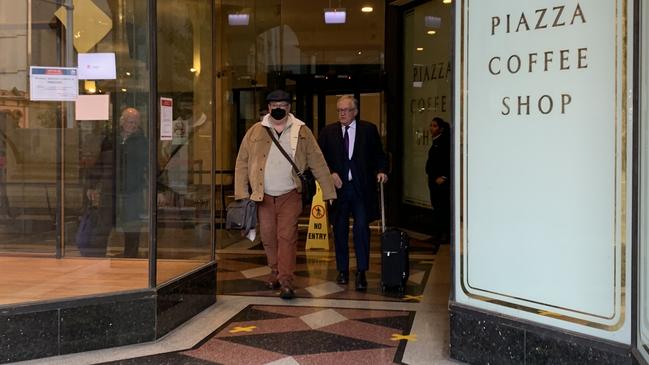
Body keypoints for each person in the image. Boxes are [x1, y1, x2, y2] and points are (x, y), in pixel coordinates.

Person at [234, 89, 336, 299]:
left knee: (287, 236)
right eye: (274, 106)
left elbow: (317, 160)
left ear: (289, 107)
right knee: (269, 237)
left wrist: (328, 191)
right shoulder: (255, 131)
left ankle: (286, 280)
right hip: (263, 196)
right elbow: (242, 162)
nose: (278, 109)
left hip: (290, 194)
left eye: (283, 106)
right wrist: (242, 192)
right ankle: (275, 271)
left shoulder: (302, 131)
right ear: (268, 108)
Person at [318, 95, 388, 291]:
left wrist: (382, 170)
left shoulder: (368, 130)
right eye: (339, 110)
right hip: (338, 190)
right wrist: (330, 173)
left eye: (346, 110)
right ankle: (342, 270)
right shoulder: (327, 132)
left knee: (361, 231)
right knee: (339, 230)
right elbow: (318, 159)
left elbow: (379, 155)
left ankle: (361, 272)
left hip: (361, 189)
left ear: (355, 112)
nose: (342, 113)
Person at [85, 107, 148, 258]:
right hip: (110, 189)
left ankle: (131, 258)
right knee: (103, 225)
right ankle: (97, 258)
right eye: (129, 121)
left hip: (133, 190)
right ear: (122, 122)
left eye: (135, 122)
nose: (132, 125)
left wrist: (159, 189)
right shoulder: (111, 140)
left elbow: (151, 166)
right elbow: (100, 163)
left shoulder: (143, 142)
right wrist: (91, 185)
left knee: (132, 227)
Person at [425, 117, 451, 244]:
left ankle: (444, 234)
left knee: (442, 208)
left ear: (441, 129)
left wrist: (444, 176)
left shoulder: (444, 142)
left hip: (441, 182)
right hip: (433, 180)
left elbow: (448, 161)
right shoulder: (435, 142)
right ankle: (438, 233)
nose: (431, 128)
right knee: (437, 207)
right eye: (431, 125)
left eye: (434, 126)